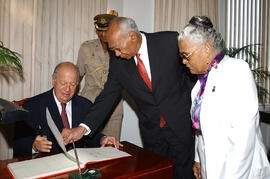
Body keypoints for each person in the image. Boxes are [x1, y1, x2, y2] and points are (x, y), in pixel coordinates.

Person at [62, 17, 195, 179]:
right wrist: (82, 128)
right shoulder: (119, 63)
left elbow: (193, 76)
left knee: (184, 174)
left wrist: (193, 109)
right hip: (153, 132)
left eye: (118, 48)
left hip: (180, 125)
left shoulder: (169, 42)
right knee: (156, 174)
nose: (116, 54)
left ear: (132, 36)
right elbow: (107, 97)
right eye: (113, 50)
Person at [178, 16, 270, 179]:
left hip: (241, 172)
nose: (184, 61)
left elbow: (243, 140)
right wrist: (198, 159)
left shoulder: (236, 71)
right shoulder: (199, 86)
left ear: (206, 49)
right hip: (211, 168)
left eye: (186, 55)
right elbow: (200, 130)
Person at [13, 62, 121, 157]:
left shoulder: (85, 105)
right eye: (63, 83)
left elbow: (89, 136)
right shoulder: (32, 105)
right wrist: (34, 146)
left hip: (77, 167)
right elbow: (18, 145)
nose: (67, 89)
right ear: (53, 80)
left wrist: (103, 139)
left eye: (72, 84)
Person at [77, 13, 123, 140]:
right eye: (99, 30)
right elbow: (77, 76)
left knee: (111, 145)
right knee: (86, 144)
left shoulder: (121, 49)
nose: (102, 34)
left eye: (106, 30)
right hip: (88, 103)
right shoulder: (86, 48)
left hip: (113, 105)